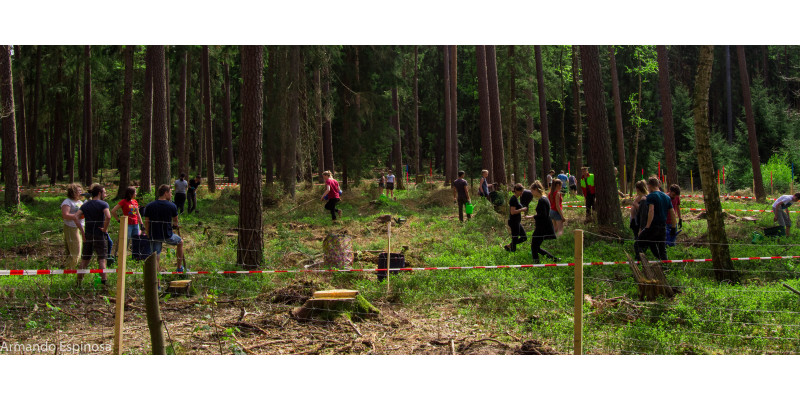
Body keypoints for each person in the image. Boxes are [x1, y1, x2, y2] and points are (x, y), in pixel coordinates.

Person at [74, 184, 112, 286]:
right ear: (99, 193)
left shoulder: (86, 205)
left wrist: (82, 232)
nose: (105, 194)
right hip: (99, 234)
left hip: (88, 235)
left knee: (85, 260)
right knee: (102, 259)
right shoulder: (104, 204)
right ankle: (104, 283)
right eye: (104, 192)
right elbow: (108, 216)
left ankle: (78, 282)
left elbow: (75, 217)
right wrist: (105, 228)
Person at [143, 184, 186, 272]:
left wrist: (148, 233)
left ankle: (157, 283)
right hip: (167, 235)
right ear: (165, 193)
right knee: (180, 242)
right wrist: (174, 226)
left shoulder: (150, 206)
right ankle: (179, 267)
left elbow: (146, 222)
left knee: (156, 256)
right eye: (170, 193)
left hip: (154, 235)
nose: (171, 195)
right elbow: (175, 220)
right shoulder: (172, 206)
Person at [635, 177, 677, 261]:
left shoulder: (651, 196)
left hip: (653, 226)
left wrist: (647, 227)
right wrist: (673, 227)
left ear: (649, 186)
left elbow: (651, 211)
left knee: (638, 244)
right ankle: (665, 267)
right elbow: (672, 213)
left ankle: (641, 263)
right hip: (663, 227)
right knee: (662, 249)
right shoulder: (666, 197)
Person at [525, 180, 558, 263]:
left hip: (542, 227)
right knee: (536, 247)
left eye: (532, 191)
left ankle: (537, 264)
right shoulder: (544, 198)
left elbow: (543, 215)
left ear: (536, 189)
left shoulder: (542, 200)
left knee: (534, 247)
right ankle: (554, 259)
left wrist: (531, 217)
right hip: (543, 226)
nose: (531, 193)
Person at [60, 183, 84, 270]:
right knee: (76, 251)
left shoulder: (80, 202)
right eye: (78, 191)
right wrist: (75, 216)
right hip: (71, 227)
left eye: (81, 190)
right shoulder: (67, 202)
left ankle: (69, 268)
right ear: (72, 192)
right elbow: (65, 215)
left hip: (80, 227)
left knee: (76, 249)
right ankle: (69, 270)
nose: (80, 192)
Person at [504, 184, 528, 252]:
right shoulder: (513, 199)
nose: (522, 193)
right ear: (516, 191)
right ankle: (512, 251)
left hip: (517, 221)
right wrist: (522, 210)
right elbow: (512, 212)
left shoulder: (516, 199)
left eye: (522, 191)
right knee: (515, 237)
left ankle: (509, 246)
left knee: (524, 237)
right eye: (521, 191)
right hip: (513, 221)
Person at [629, 180, 649, 247]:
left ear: (638, 189)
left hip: (639, 219)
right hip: (637, 219)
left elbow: (641, 209)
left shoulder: (643, 197)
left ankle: (640, 248)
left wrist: (635, 205)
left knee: (639, 235)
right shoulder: (643, 196)